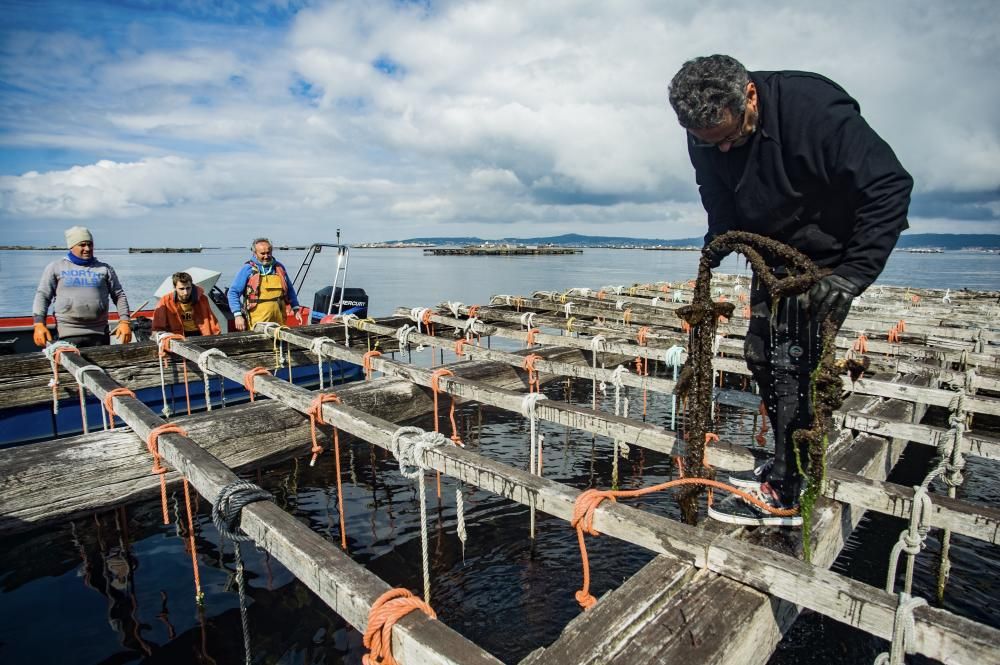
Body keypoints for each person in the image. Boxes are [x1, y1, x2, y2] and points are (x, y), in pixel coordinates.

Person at [668, 55, 912, 526]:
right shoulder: (705, 127)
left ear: (750, 97)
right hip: (770, 252)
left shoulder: (813, 109)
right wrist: (723, 233)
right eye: (706, 142)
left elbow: (889, 186)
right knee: (761, 355)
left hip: (824, 259)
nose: (720, 150)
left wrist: (854, 273)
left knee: (795, 365)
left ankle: (791, 487)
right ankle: (784, 464)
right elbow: (713, 186)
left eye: (730, 138)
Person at [32, 226, 132, 348]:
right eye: (82, 245)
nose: (87, 248)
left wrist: (125, 321)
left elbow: (119, 295)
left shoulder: (104, 269)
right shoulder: (56, 267)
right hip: (67, 332)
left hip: (99, 332)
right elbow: (43, 295)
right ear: (71, 246)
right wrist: (39, 324)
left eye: (90, 244)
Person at [227, 238, 303, 331]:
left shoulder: (279, 268)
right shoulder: (248, 269)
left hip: (279, 320)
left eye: (268, 253)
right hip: (257, 321)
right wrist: (237, 315)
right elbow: (233, 293)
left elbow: (290, 290)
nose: (266, 256)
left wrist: (296, 309)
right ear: (255, 253)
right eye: (262, 253)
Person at [152, 271, 221, 337]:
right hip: (177, 336)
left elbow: (212, 321)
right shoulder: (165, 301)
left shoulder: (202, 299)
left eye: (188, 288)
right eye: (181, 289)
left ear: (192, 286)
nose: (185, 292)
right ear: (174, 287)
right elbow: (158, 326)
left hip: (200, 334)